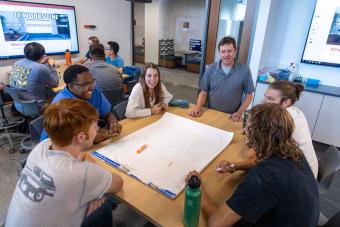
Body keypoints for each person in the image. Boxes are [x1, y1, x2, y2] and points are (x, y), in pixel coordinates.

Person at [186, 103, 319, 227]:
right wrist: (236, 165)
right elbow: (264, 163)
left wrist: (197, 188)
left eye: (248, 128)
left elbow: (216, 223)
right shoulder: (292, 150)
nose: (244, 131)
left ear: (259, 135)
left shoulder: (266, 177)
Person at [6, 98, 123, 227]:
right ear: (81, 137)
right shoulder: (83, 173)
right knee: (105, 205)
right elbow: (118, 183)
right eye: (95, 126)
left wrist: (92, 188)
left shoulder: (42, 147)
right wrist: (94, 184)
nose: (98, 129)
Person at [221, 81, 319, 178]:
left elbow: (256, 159)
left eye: (270, 99)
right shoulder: (296, 111)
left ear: (286, 102)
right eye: (265, 97)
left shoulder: (280, 124)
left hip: (300, 177)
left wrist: (235, 165)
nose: (264, 102)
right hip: (306, 170)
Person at [40, 64, 122, 143]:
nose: (91, 87)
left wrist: (113, 121)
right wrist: (89, 138)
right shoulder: (62, 105)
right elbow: (61, 139)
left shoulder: (94, 91)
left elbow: (107, 114)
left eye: (92, 82)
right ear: (71, 86)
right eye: (85, 84)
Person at [189, 36, 254, 121]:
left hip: (232, 116)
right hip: (210, 111)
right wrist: (198, 107)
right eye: (223, 51)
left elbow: (249, 95)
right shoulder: (211, 68)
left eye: (229, 51)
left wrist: (239, 112)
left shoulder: (244, 70)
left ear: (235, 51)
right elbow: (203, 92)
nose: (226, 55)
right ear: (219, 53)